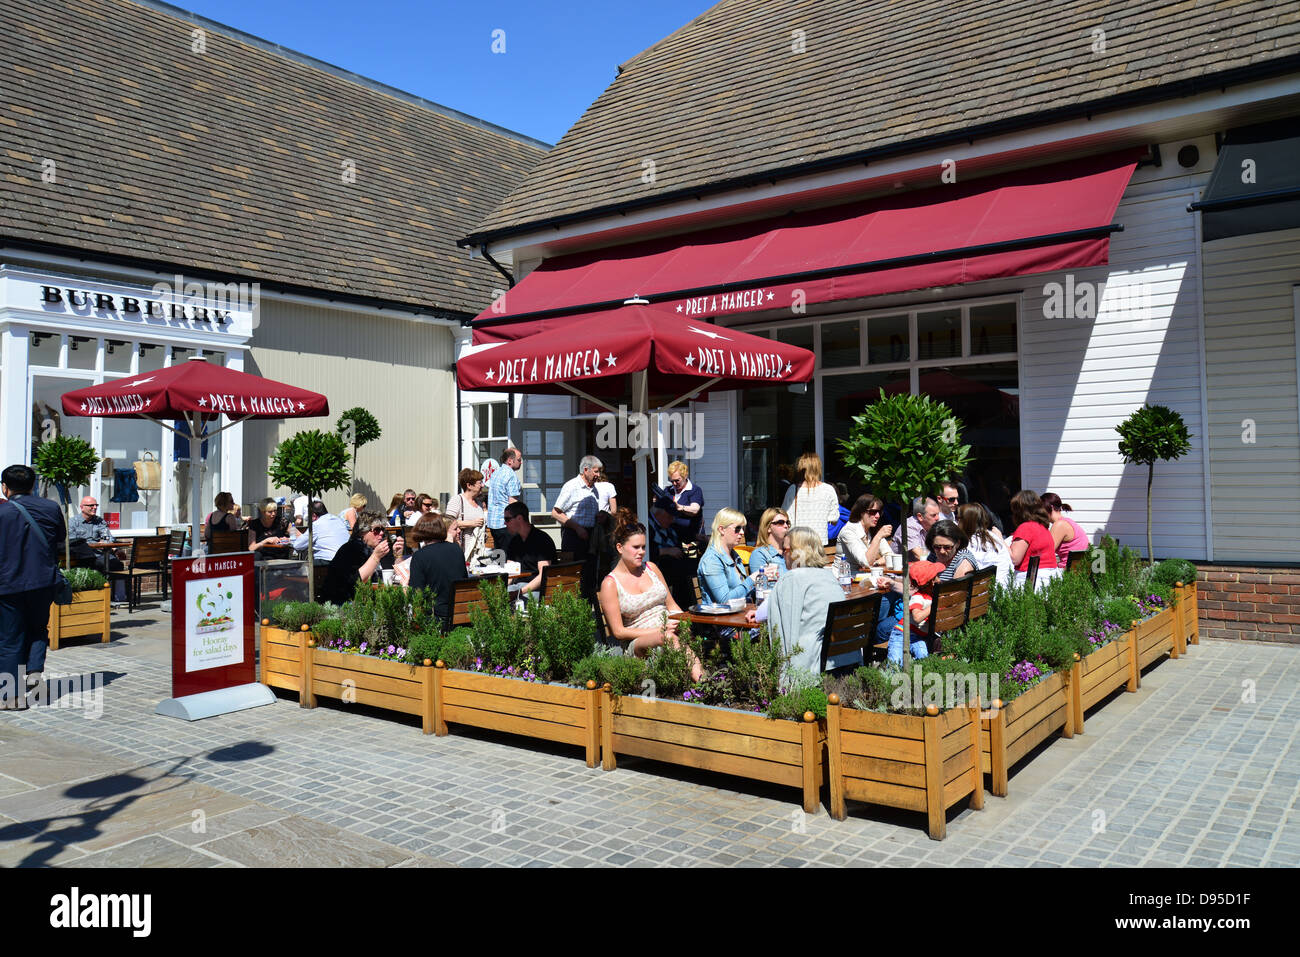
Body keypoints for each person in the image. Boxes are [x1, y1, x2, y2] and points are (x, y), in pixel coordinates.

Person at [598, 509, 701, 679]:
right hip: (637, 644)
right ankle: (703, 684)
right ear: (619, 548)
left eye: (644, 547)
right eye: (636, 547)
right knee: (668, 638)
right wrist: (660, 630)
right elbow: (619, 632)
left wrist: (681, 621)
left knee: (682, 634)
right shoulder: (610, 583)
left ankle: (697, 684)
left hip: (668, 632)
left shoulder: (651, 568)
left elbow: (672, 605)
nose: (641, 552)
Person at [0, 464, 65, 708]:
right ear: (33, 485)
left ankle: (11, 697)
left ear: (5, 488)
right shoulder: (50, 507)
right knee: (38, 628)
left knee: (9, 638)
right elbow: (60, 539)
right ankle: (35, 673)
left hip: (9, 584)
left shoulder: (2, 512)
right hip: (42, 582)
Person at [746, 526, 849, 673]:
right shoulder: (829, 576)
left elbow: (762, 614)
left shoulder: (793, 578)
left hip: (809, 660)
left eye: (786, 550)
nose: (783, 555)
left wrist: (757, 613)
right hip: (840, 654)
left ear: (796, 553)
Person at [407, 515, 469, 631]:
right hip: (459, 614)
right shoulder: (456, 550)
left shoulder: (420, 556)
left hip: (436, 617)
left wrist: (405, 584)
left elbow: (416, 594)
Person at [323, 512, 391, 606]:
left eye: (383, 529)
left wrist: (398, 555)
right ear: (362, 532)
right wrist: (376, 557)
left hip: (370, 600)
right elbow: (356, 582)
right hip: (347, 604)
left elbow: (391, 574)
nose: (381, 533)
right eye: (377, 530)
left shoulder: (376, 549)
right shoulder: (351, 549)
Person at [697, 507, 759, 605]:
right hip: (718, 618)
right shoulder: (711, 560)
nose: (742, 533)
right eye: (737, 528)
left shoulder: (734, 555)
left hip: (741, 613)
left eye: (743, 528)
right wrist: (752, 579)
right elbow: (724, 600)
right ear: (721, 529)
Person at [781, 452, 839, 546]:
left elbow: (784, 516)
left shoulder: (793, 489)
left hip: (798, 542)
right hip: (819, 542)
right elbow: (834, 518)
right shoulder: (828, 490)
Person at [551, 455, 603, 560]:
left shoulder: (594, 488)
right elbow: (555, 513)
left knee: (590, 572)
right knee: (574, 574)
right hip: (574, 536)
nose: (599, 475)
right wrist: (577, 528)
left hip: (590, 538)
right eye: (596, 471)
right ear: (585, 470)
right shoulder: (571, 486)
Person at [502, 501, 557, 598]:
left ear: (519, 518)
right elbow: (510, 573)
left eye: (507, 519)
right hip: (518, 587)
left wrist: (519, 593)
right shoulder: (514, 541)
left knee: (517, 602)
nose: (505, 523)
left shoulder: (542, 540)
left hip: (537, 589)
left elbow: (543, 576)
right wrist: (501, 589)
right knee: (494, 598)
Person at [957, 503, 1014, 586]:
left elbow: (961, 575)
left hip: (989, 593)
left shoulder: (971, 544)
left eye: (957, 518)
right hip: (1005, 588)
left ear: (966, 521)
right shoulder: (993, 536)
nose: (956, 522)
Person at [1008, 489, 1060, 579]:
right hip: (1049, 578)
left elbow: (1015, 559)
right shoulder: (1043, 528)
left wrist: (999, 538)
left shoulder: (1025, 528)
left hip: (1030, 580)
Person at [837, 495, 895, 575]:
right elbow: (866, 562)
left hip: (865, 576)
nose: (877, 516)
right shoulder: (848, 532)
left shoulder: (872, 529)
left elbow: (890, 556)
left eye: (879, 512)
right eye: (873, 512)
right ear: (861, 512)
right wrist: (878, 537)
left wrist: (876, 563)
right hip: (846, 578)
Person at [486, 447, 522, 554]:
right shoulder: (511, 476)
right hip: (505, 524)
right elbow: (513, 504)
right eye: (519, 460)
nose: (521, 462)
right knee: (511, 559)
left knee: (500, 559)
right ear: (510, 461)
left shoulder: (496, 473)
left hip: (493, 524)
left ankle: (500, 570)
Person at [446, 469, 487, 561]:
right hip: (461, 551)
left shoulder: (479, 503)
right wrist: (472, 523)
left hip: (477, 553)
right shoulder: (457, 500)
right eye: (480, 483)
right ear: (469, 485)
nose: (483, 485)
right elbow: (447, 523)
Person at [1042, 492, 1089, 566]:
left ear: (1050, 508)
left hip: (1069, 572)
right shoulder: (1066, 521)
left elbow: (1046, 553)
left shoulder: (1060, 525)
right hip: (1078, 569)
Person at [891, 496, 940, 561]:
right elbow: (920, 556)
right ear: (920, 517)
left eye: (938, 514)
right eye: (933, 515)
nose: (938, 518)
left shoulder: (931, 526)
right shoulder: (909, 527)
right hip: (899, 570)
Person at [749, 507, 791, 577]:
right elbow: (762, 585)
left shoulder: (791, 551)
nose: (786, 526)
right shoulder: (760, 554)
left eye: (787, 522)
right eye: (781, 522)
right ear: (768, 528)